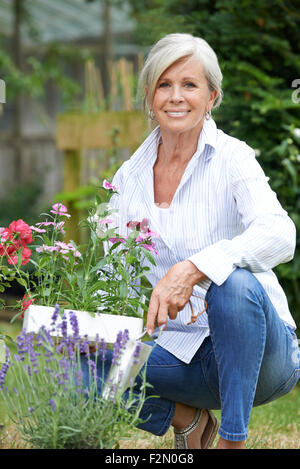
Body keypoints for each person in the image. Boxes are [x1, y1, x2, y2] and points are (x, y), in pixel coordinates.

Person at [83, 33, 300, 449]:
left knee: (231, 284)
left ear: (212, 96)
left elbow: (280, 233)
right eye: (164, 85)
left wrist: (196, 267)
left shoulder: (233, 158)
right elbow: (111, 269)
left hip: (262, 358)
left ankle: (232, 441)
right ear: (149, 96)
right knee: (75, 364)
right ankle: (189, 420)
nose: (175, 97)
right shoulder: (129, 177)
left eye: (189, 85)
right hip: (178, 355)